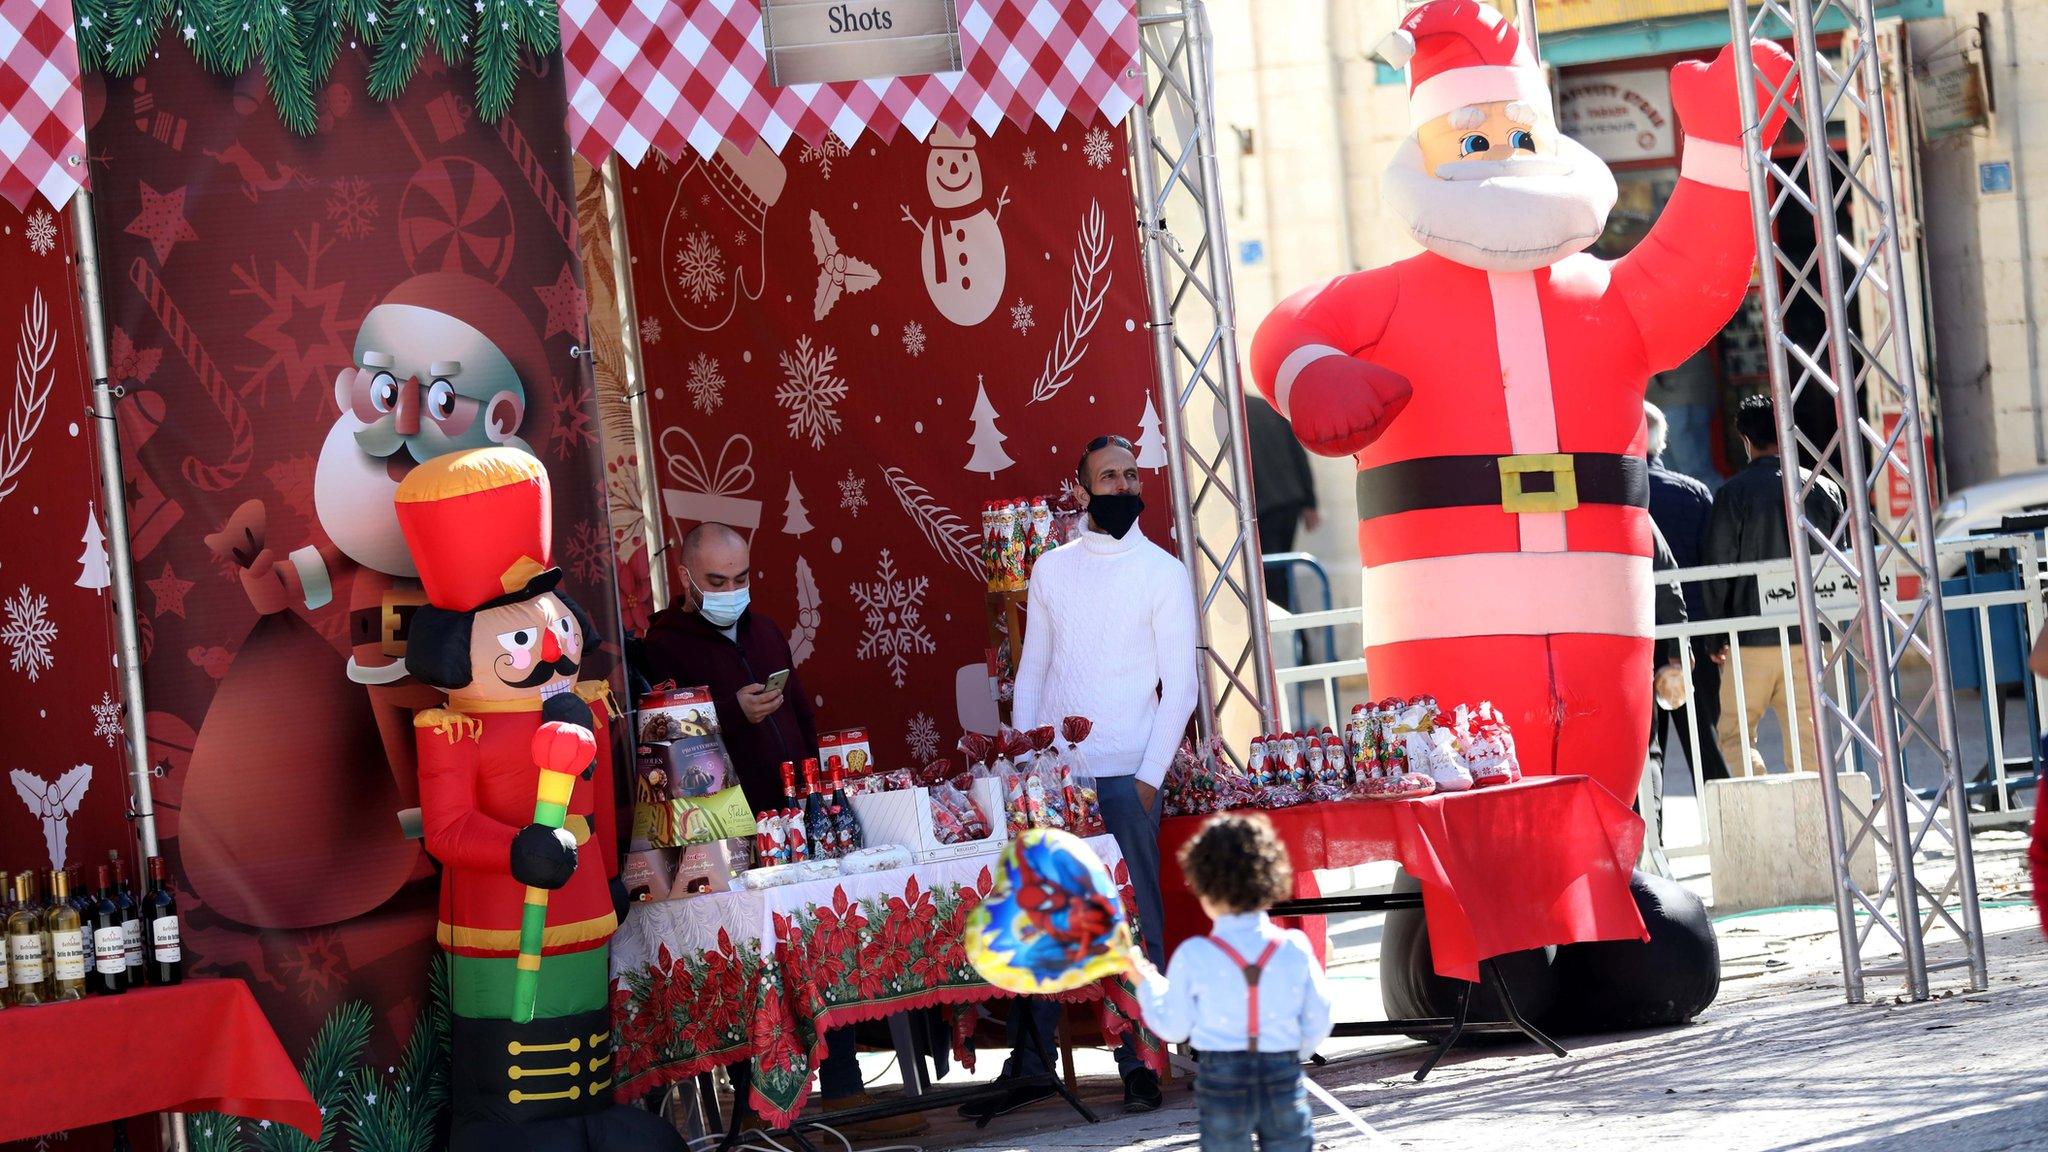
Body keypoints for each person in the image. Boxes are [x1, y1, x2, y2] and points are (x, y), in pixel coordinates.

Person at [638, 524, 922, 1136]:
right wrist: (730, 715)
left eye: (741, 579)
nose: (731, 592)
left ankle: (846, 1094)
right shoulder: (661, 648)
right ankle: (760, 1115)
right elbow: (667, 752)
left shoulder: (764, 630)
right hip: (724, 832)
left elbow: (802, 712)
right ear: (685, 577)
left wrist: (823, 788)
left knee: (823, 941)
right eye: (716, 582)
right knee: (748, 963)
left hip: (797, 813)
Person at [974, 433, 1199, 1117]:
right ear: (1080, 491)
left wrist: (1147, 780)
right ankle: (1035, 1061)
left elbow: (1180, 689)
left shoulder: (1163, 572)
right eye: (1110, 477)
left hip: (1129, 775)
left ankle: (1143, 1063)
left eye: (1133, 475)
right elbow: (1034, 671)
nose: (1126, 486)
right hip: (1056, 782)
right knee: (1044, 911)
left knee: (1138, 924)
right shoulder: (1051, 570)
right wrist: (1030, 767)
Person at [1130, 814, 1332, 1152]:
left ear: (1203, 890)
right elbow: (1319, 1016)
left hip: (1222, 1079)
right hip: (1280, 1071)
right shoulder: (1293, 947)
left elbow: (1174, 1027)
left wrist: (1146, 980)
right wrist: (1294, 1051)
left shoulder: (1194, 955)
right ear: (1271, 881)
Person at [1702, 394, 1845, 775]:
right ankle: (1817, 822)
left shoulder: (1733, 494)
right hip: (1811, 639)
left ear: (1745, 440)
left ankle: (1761, 816)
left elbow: (1719, 568)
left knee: (1735, 735)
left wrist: (1715, 633)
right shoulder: (1825, 489)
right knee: (1809, 741)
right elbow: (1842, 568)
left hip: (1750, 638)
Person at [1646, 402, 1728, 782]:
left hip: (1639, 639)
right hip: (1692, 640)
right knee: (1705, 746)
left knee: (1647, 756)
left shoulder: (1615, 502)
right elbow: (1715, 569)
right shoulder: (1694, 493)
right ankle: (1730, 833)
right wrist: (1716, 640)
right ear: (1661, 443)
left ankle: (1652, 841)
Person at [1246, 396, 1320, 611]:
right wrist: (1309, 502)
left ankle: (1293, 640)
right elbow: (1298, 454)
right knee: (1279, 577)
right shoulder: (1267, 408)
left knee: (1272, 583)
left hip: (1262, 508)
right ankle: (1299, 640)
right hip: (1288, 501)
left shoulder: (1225, 416)